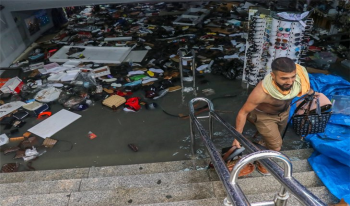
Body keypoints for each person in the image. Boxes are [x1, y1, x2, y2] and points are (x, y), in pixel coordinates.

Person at [233, 57, 313, 175]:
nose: (290, 82)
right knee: (277, 146)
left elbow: (306, 89)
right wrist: (237, 137)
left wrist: (313, 94)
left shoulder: (299, 80)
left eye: (292, 77)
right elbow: (243, 112)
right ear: (273, 76)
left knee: (275, 138)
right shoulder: (261, 92)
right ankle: (263, 162)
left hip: (284, 112)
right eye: (284, 78)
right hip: (265, 117)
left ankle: (262, 144)